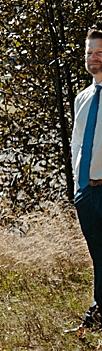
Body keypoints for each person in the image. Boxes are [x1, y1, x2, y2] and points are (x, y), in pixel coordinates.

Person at [73, 28, 102, 329]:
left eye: (99, 52)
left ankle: (96, 313)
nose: (93, 58)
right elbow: (77, 144)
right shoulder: (83, 98)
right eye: (89, 52)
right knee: (98, 255)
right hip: (87, 192)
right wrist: (77, 187)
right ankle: (99, 311)